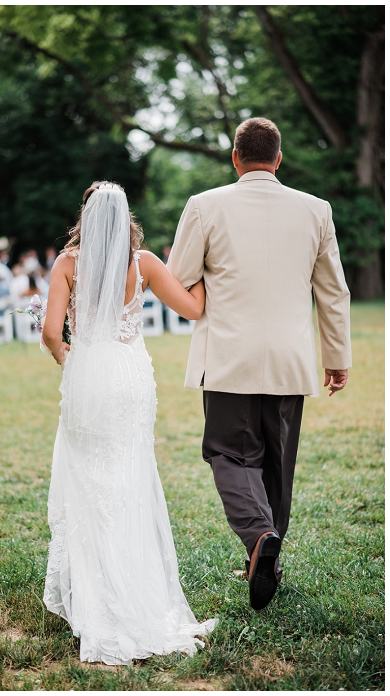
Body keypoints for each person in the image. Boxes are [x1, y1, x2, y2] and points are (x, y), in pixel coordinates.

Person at [167, 117, 351, 611]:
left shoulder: (204, 206)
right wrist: (337, 357)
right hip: (291, 360)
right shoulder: (316, 210)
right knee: (277, 462)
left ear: (234, 158)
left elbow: (177, 278)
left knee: (230, 454)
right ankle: (266, 552)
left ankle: (259, 536)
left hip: (228, 357)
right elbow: (333, 292)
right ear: (279, 159)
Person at [40, 181, 214, 666]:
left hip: (89, 376)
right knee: (129, 478)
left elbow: (53, 332)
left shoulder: (67, 264)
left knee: (90, 481)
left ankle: (97, 598)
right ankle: (137, 592)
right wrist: (204, 271)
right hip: (132, 377)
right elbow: (194, 308)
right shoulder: (146, 265)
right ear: (126, 218)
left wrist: (64, 355)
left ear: (87, 217)